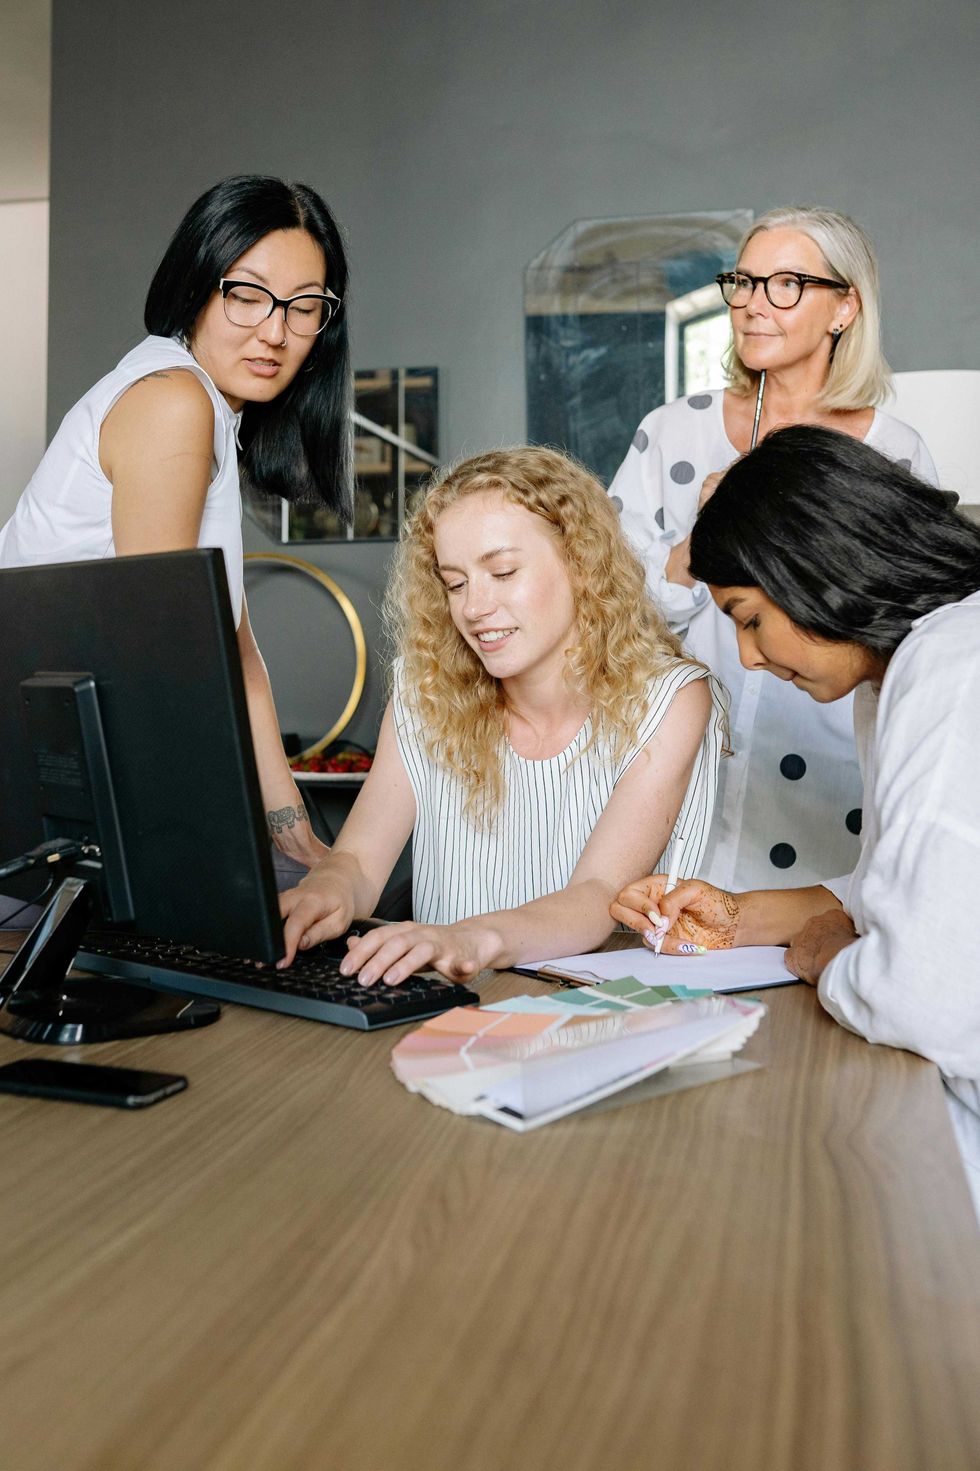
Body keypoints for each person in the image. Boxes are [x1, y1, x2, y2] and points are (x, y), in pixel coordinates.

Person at [612, 426, 980, 1209]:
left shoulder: (953, 674)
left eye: (749, 617)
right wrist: (742, 916)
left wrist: (825, 959)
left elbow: (921, 994)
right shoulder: (908, 669)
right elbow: (917, 879)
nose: (747, 657)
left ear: (811, 566)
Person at [0, 174, 353, 872]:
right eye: (247, 295)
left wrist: (294, 832)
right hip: (37, 784)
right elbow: (157, 658)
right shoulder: (173, 400)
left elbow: (237, 653)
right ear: (196, 284)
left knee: (310, 889)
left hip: (75, 768)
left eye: (304, 306)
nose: (275, 331)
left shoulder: (209, 410)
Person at [279, 446, 726, 984]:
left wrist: (467, 938)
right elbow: (359, 861)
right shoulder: (425, 692)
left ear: (582, 564)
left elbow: (600, 895)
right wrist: (326, 890)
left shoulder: (671, 698)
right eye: (456, 582)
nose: (473, 608)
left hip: (600, 1019)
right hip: (449, 1012)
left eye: (503, 571)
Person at [608, 206, 937, 892]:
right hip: (680, 764)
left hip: (828, 776)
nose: (753, 305)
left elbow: (915, 636)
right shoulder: (673, 432)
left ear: (844, 307)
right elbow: (606, 611)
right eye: (744, 282)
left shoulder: (891, 451)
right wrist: (699, 542)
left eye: (785, 284)